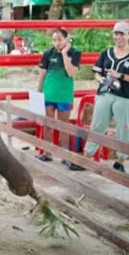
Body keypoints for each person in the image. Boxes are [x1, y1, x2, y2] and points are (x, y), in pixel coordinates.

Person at [83, 21, 129, 173]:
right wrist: (101, 79)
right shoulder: (106, 53)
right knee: (97, 125)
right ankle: (86, 157)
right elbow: (97, 73)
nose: (118, 37)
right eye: (116, 33)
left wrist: (120, 76)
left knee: (124, 128)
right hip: (105, 93)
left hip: (125, 97)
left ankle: (120, 161)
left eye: (121, 34)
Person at [36, 28, 83, 170]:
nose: (57, 43)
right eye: (54, 40)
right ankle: (47, 153)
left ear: (66, 39)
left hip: (64, 95)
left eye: (60, 40)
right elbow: (42, 74)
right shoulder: (47, 53)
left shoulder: (75, 53)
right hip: (48, 93)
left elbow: (71, 72)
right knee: (48, 124)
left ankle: (65, 155)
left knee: (64, 125)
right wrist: (39, 92)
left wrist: (64, 54)